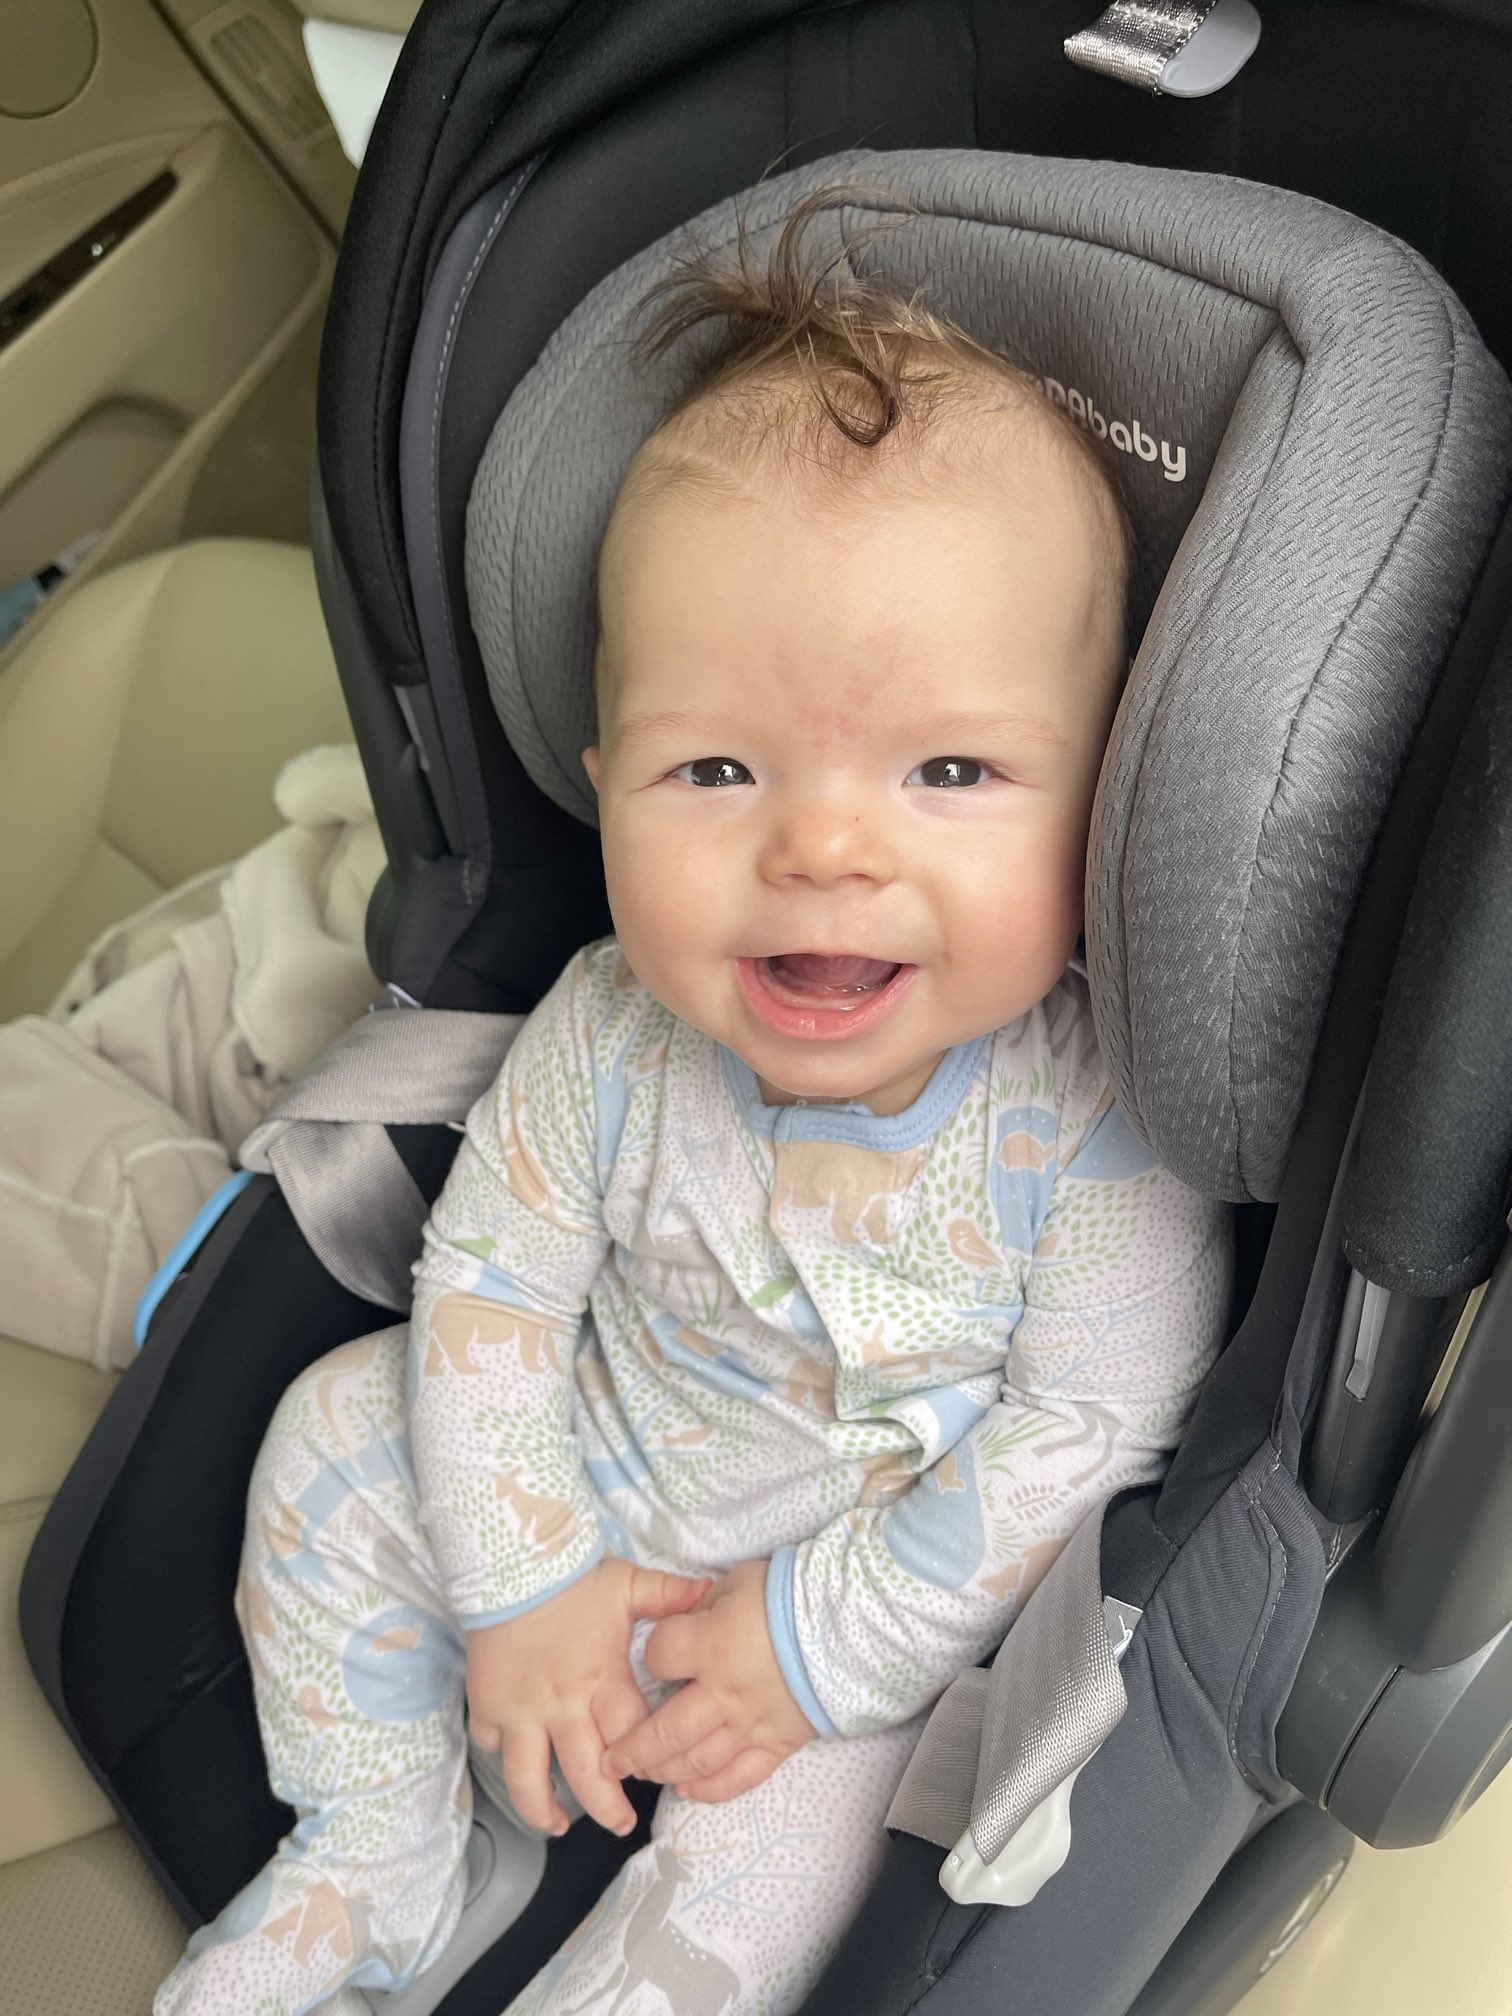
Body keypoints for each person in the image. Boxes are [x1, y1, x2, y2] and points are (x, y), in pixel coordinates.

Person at [154, 191, 1232, 2016]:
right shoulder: (612, 1027)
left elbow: (1090, 1426)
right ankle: (373, 1850)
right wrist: (526, 1580)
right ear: (605, 783)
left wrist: (815, 1646)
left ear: (1104, 804)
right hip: (598, 1462)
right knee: (333, 1437)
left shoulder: (1101, 1114)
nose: (821, 847)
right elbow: (489, 1288)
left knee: (792, 1872)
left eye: (951, 770)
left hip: (855, 1606)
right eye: (717, 768)